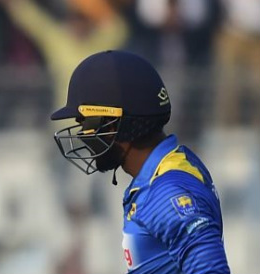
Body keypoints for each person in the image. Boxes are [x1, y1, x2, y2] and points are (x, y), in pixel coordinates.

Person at [50, 50, 229, 273]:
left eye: (85, 123)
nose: (81, 135)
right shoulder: (162, 173)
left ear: (113, 124)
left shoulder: (168, 192)